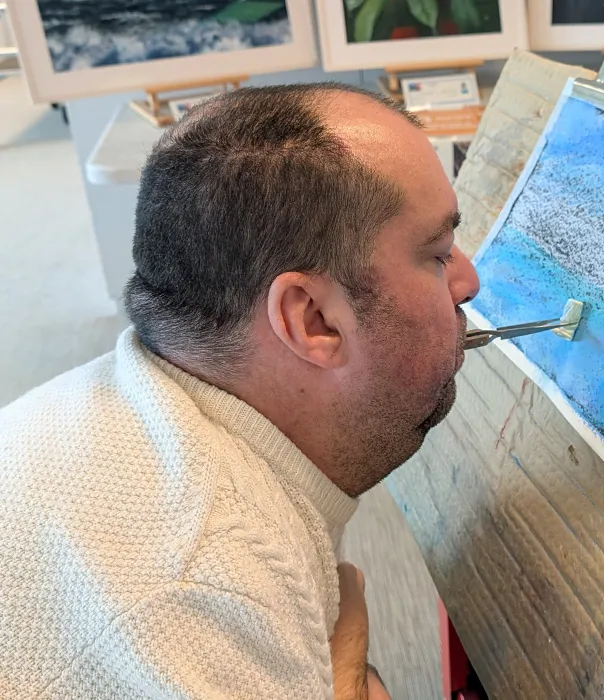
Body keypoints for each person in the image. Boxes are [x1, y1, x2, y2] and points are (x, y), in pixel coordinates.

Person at [0, 84, 480, 699]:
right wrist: (350, 656)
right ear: (313, 320)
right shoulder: (210, 587)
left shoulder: (136, 408)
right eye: (438, 254)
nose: (469, 280)